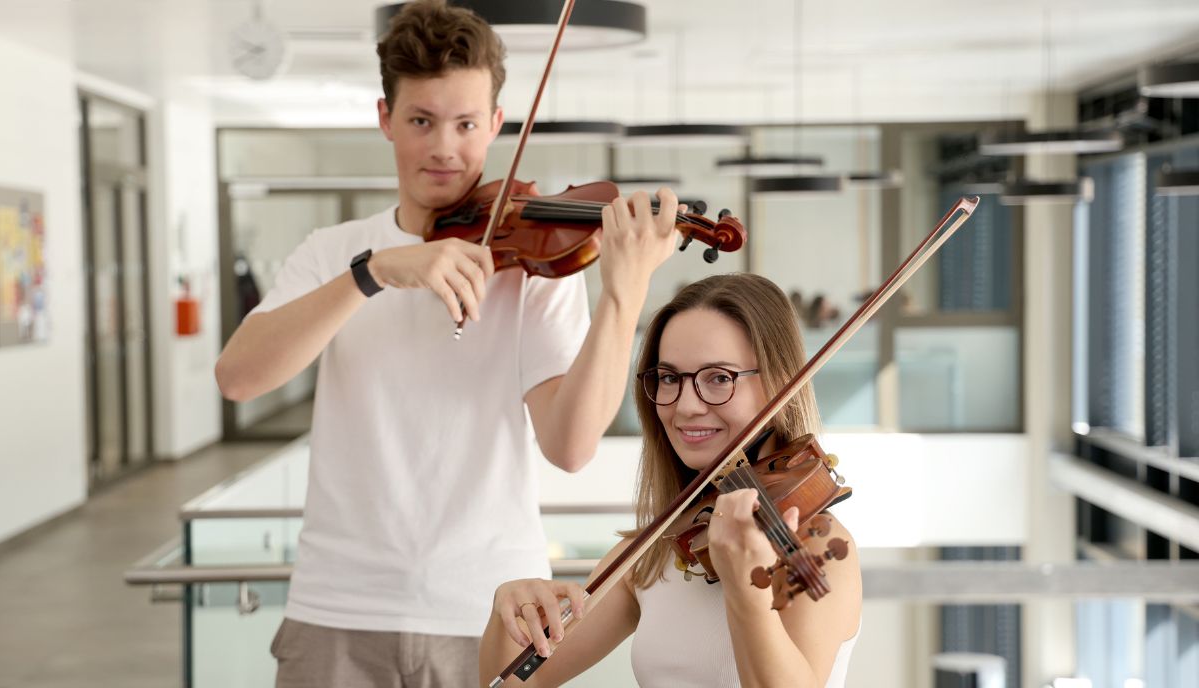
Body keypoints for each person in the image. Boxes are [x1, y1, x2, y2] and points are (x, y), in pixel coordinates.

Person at [214, 1, 681, 686]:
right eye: (422, 121)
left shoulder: (536, 267)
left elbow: (572, 446)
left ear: (495, 123)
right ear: (386, 119)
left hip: (490, 611)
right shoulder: (334, 252)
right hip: (339, 610)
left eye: (466, 124)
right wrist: (372, 273)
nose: (444, 147)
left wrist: (623, 295)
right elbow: (239, 378)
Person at [480, 273, 862, 688]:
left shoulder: (820, 547)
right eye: (669, 378)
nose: (686, 406)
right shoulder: (656, 549)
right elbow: (517, 683)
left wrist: (746, 587)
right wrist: (506, 614)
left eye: (719, 378)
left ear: (780, 381)